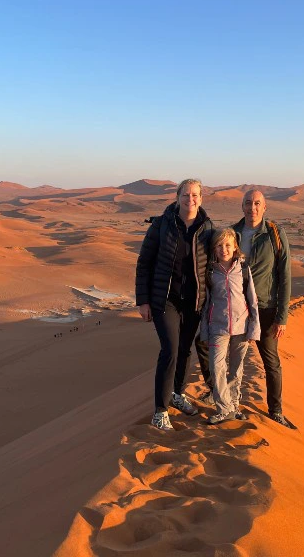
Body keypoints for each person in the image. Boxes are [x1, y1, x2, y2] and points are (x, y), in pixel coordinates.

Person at [135, 179, 214, 430]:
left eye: (195, 195)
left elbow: (217, 262)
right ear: (177, 196)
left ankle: (177, 393)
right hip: (165, 299)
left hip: (194, 302)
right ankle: (160, 409)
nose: (190, 199)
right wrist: (143, 301)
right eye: (186, 194)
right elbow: (144, 263)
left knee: (184, 350)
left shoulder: (207, 228)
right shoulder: (162, 225)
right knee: (169, 349)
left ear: (201, 199)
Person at [233, 190, 296, 428]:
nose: (252, 208)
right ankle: (228, 403)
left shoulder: (275, 235)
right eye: (248, 203)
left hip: (266, 308)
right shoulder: (232, 233)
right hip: (238, 307)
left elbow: (285, 277)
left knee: (270, 361)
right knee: (233, 359)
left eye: (257, 203)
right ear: (242, 207)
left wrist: (282, 317)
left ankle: (276, 410)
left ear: (265, 207)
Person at [199, 228, 260, 424]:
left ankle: (233, 406)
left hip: (241, 328)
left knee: (236, 370)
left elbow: (252, 301)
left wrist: (254, 328)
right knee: (217, 368)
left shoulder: (243, 270)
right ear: (214, 249)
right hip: (217, 329)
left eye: (227, 245)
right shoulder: (210, 272)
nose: (223, 249)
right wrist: (205, 332)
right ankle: (223, 408)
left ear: (235, 247)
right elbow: (206, 304)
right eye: (219, 245)